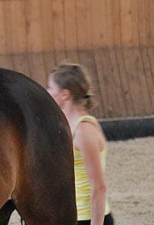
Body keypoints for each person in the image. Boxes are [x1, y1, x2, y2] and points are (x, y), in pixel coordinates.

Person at [47, 63, 114, 225]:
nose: (47, 93)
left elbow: (99, 187)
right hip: (72, 215)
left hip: (88, 218)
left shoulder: (84, 132)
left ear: (65, 95)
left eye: (50, 88)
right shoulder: (68, 125)